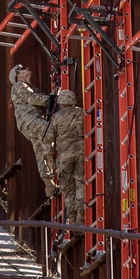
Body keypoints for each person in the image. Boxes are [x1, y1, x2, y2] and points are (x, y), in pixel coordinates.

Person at [9, 64, 56, 198]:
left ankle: (49, 184)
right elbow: (34, 99)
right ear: (19, 75)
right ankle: (53, 163)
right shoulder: (19, 86)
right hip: (30, 121)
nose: (27, 68)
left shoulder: (30, 88)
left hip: (29, 124)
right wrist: (54, 100)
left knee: (39, 151)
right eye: (23, 68)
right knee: (48, 131)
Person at [48, 89, 85, 226]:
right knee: (81, 184)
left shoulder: (57, 117)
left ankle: (72, 219)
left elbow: (49, 137)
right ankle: (81, 212)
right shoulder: (81, 113)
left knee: (68, 189)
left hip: (65, 157)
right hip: (81, 154)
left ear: (61, 103)